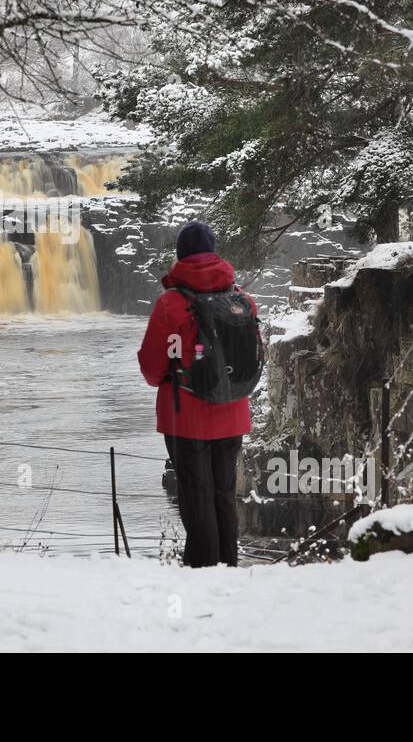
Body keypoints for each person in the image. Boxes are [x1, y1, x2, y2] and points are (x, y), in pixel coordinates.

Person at [137, 220, 254, 568]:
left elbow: (152, 367)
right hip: (233, 414)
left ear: (181, 256)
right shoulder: (242, 299)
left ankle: (202, 572)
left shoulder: (171, 304)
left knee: (196, 496)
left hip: (185, 418)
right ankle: (227, 566)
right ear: (214, 253)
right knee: (223, 494)